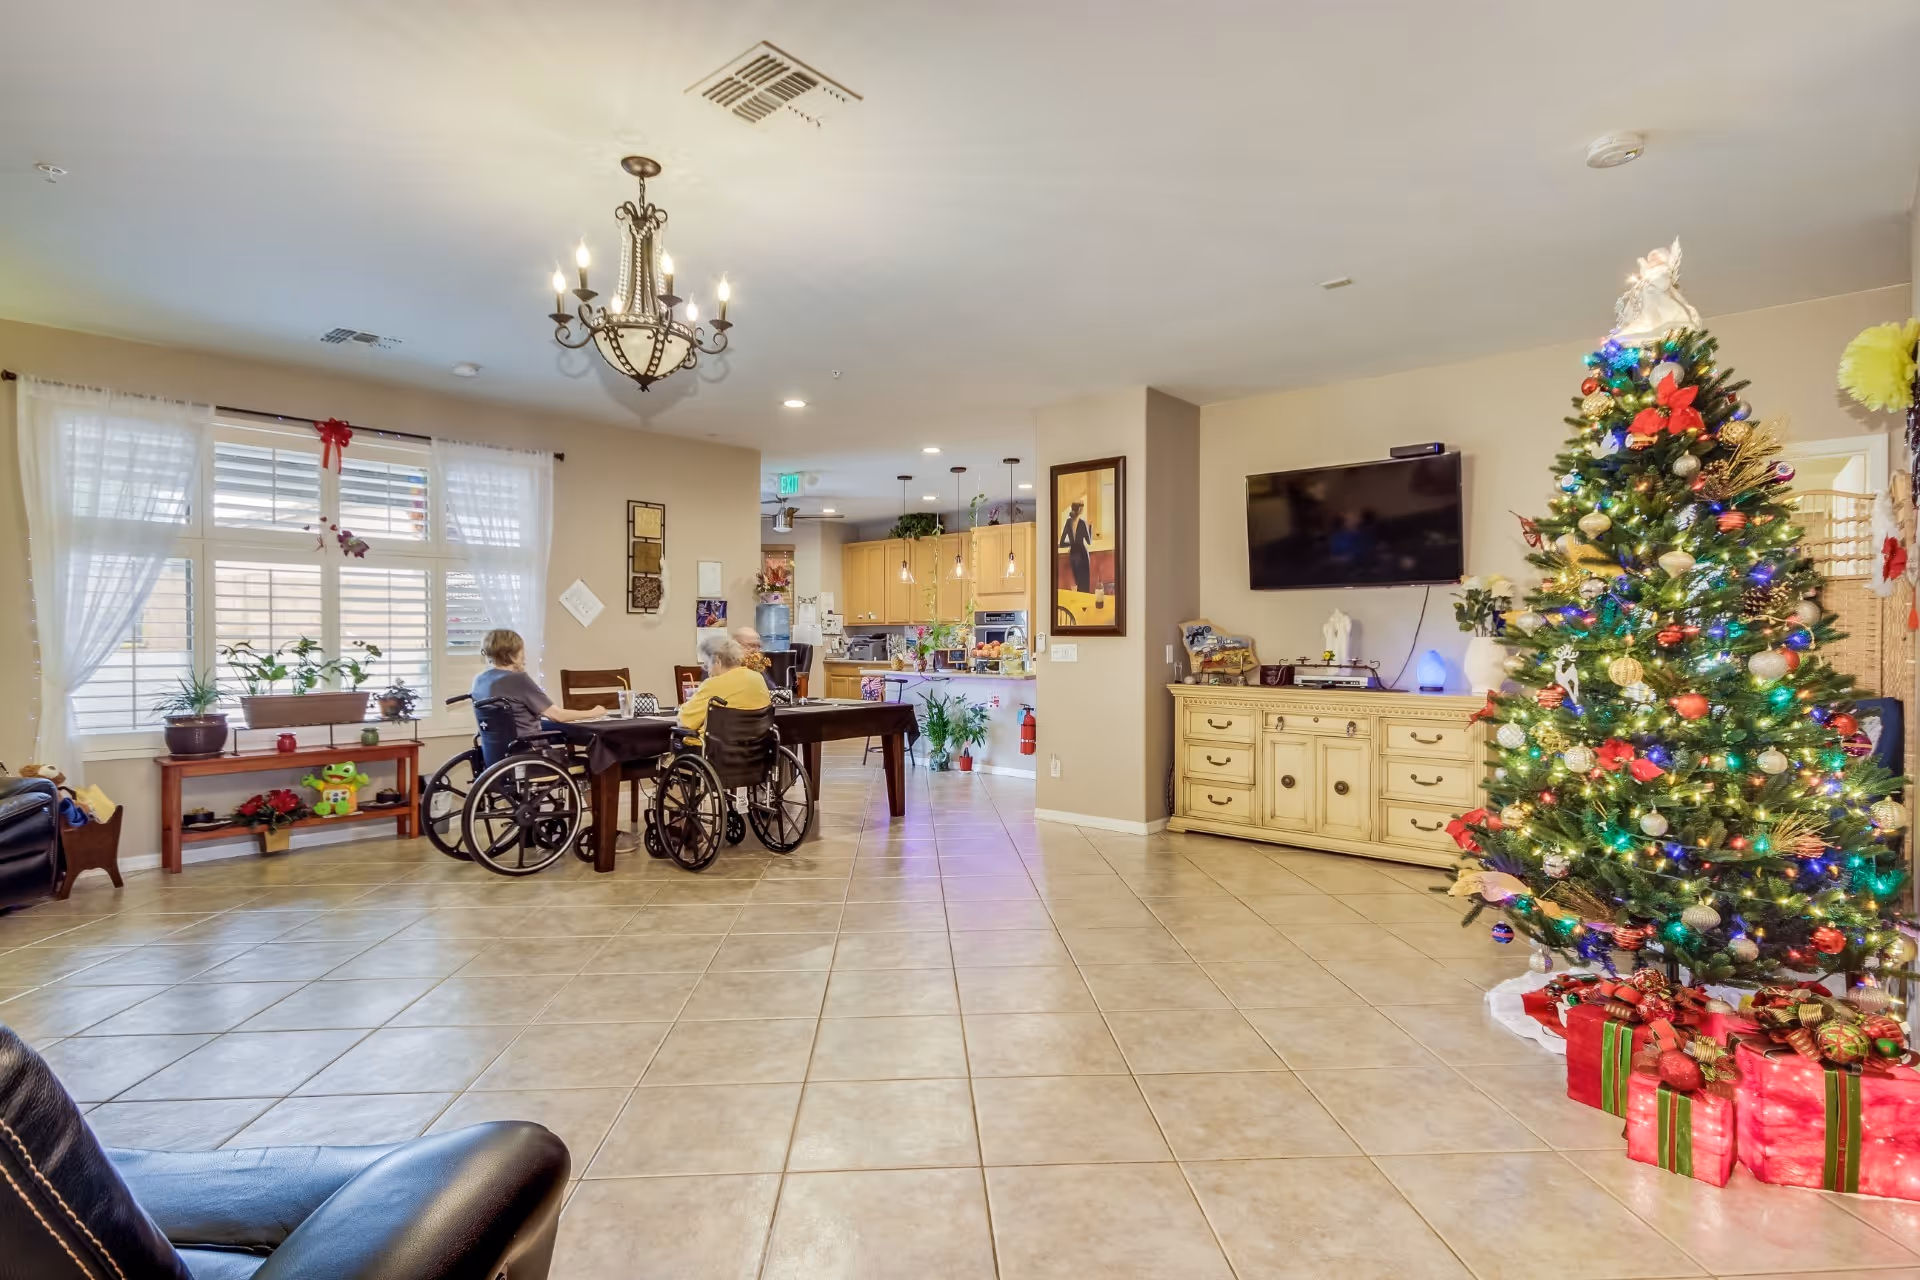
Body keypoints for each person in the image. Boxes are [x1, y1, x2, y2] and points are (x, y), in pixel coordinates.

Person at [470, 629, 607, 745]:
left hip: (497, 755)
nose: (524, 655)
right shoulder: (518, 680)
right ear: (513, 654)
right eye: (522, 650)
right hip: (527, 751)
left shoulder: (479, 680)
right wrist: (594, 712)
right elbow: (557, 716)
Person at [679, 634, 772, 741]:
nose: (708, 671)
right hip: (754, 751)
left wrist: (683, 708)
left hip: (713, 753)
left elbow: (684, 722)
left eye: (707, 664)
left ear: (717, 660)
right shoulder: (758, 678)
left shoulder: (713, 684)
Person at [1058, 500, 1093, 594]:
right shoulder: (1082, 523)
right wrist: (1090, 528)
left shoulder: (1068, 522)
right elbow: (1089, 542)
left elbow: (1061, 543)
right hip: (1082, 555)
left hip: (1073, 555)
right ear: (1080, 510)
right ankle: (1083, 606)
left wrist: (1072, 544)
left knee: (1077, 582)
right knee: (1084, 584)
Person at [731, 625, 779, 690]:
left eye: (758, 646)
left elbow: (773, 691)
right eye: (751, 645)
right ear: (735, 645)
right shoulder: (726, 670)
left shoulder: (760, 670)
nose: (756, 651)